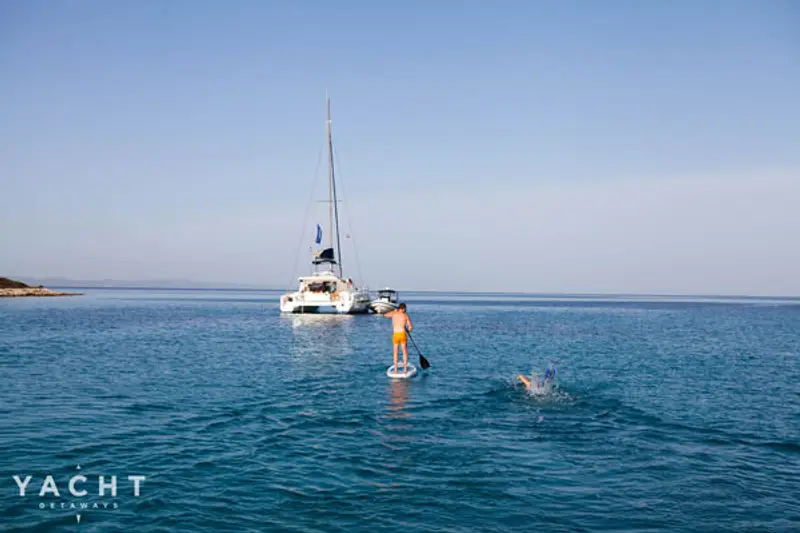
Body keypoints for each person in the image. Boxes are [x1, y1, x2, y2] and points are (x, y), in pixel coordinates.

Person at [384, 303, 412, 373]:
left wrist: (394, 311)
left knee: (395, 352)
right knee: (404, 352)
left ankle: (396, 369)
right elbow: (410, 327)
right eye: (405, 309)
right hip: (402, 334)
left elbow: (385, 315)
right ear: (403, 308)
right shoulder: (405, 316)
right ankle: (405, 369)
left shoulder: (394, 314)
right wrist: (408, 330)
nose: (406, 310)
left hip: (395, 334)